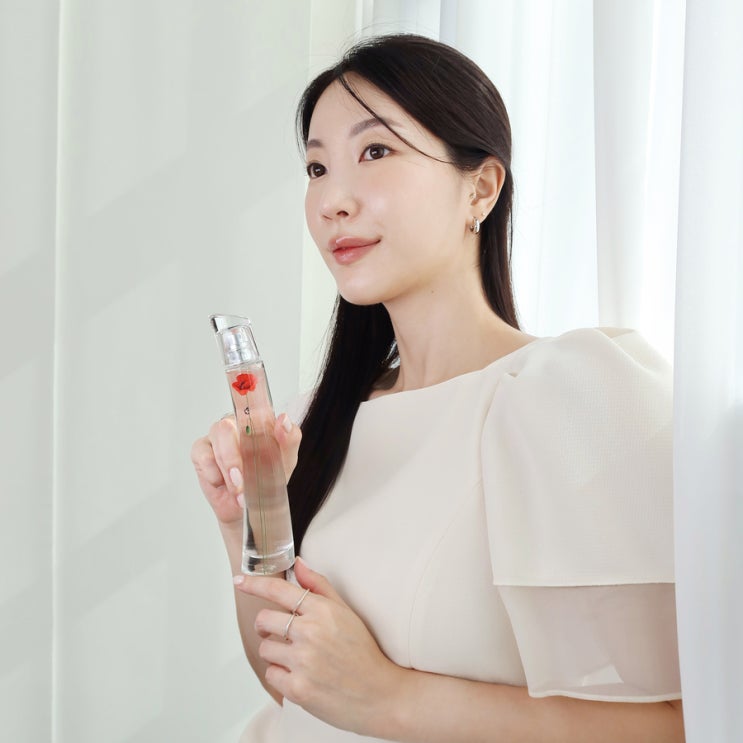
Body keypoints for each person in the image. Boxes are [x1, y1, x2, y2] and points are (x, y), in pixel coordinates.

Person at [190, 34, 684, 743]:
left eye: (375, 151)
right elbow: (289, 685)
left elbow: (676, 725)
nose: (332, 200)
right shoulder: (312, 420)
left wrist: (392, 698)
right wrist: (245, 522)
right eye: (317, 167)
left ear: (480, 188)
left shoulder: (575, 395)